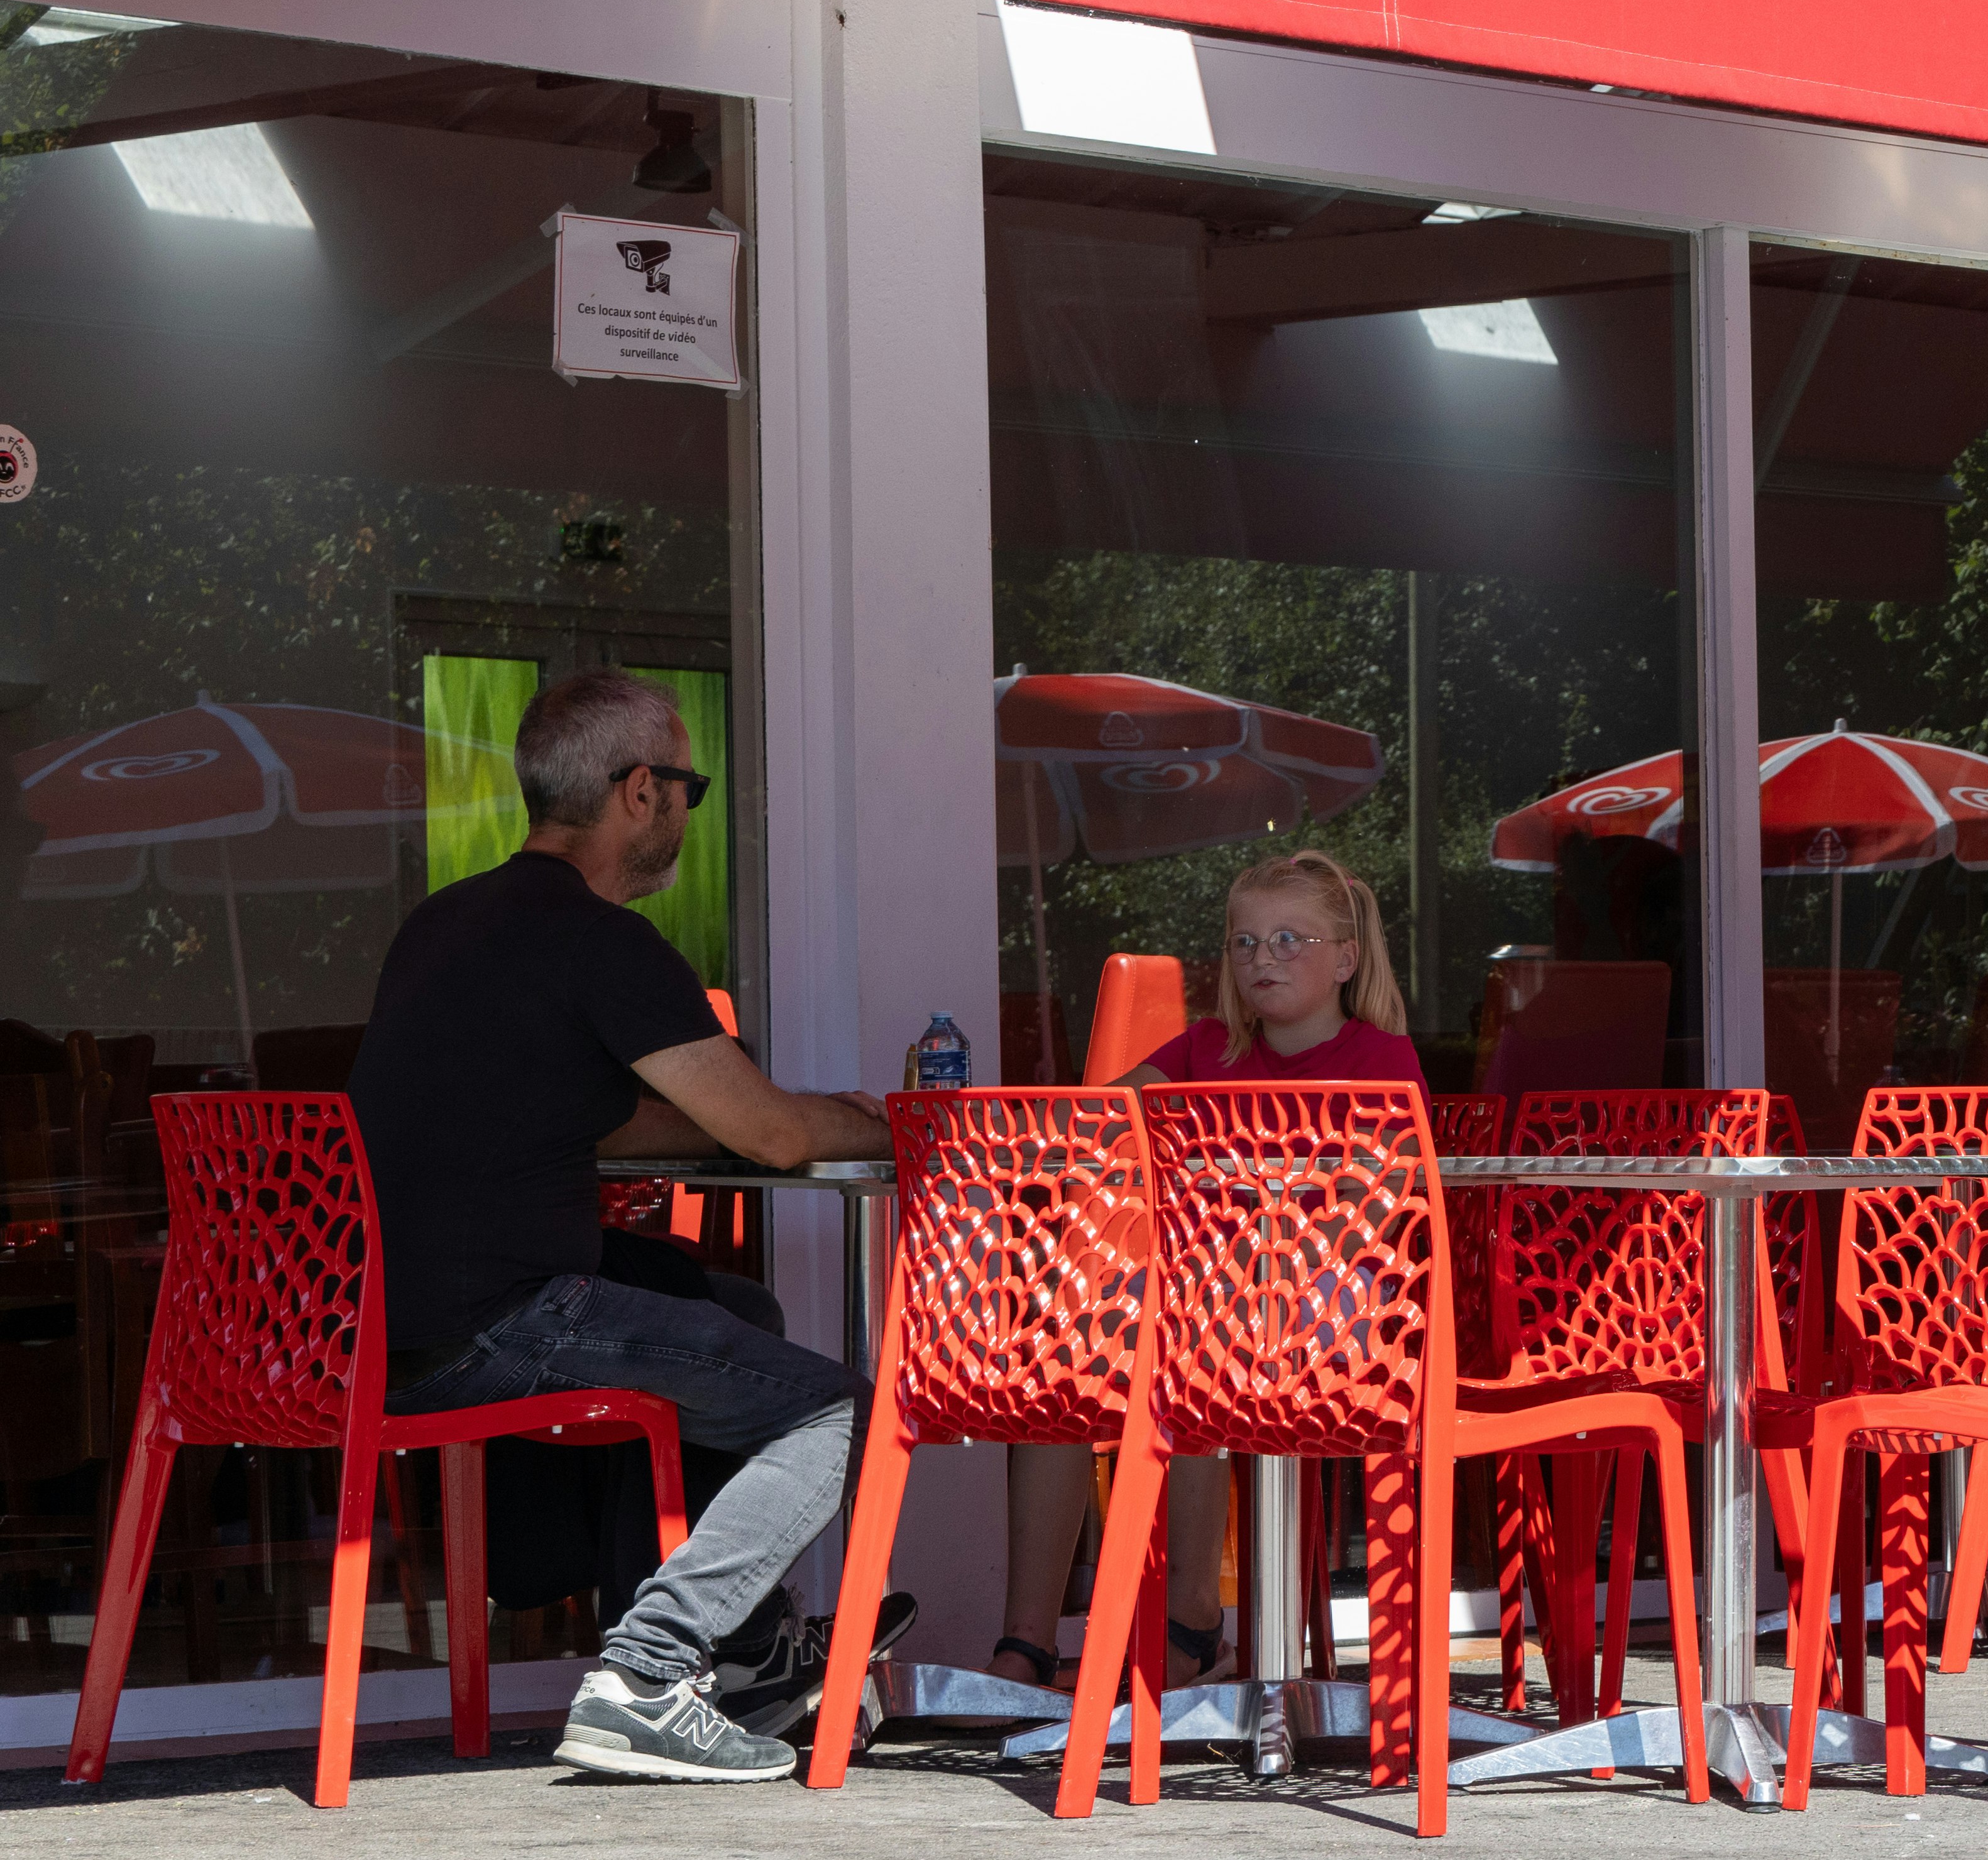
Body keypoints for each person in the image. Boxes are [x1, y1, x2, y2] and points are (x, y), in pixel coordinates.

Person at [353, 672, 898, 1784]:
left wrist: (793, 1119)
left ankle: (740, 1654)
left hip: (373, 1327)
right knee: (842, 1409)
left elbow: (611, 1119)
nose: (689, 811)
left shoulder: (447, 923)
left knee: (728, 1309)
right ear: (639, 792)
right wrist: (878, 1122)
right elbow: (771, 1138)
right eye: (687, 787)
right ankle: (648, 1671)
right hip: (502, 1323)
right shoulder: (602, 941)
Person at [989, 851, 1422, 1689]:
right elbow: (1096, 1123)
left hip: (1343, 1322)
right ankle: (1029, 1642)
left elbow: (1384, 1212)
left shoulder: (1381, 1058)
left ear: (1346, 958)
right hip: (1211, 1310)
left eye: (1289, 940)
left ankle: (1190, 1620)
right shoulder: (1207, 1048)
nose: (1262, 958)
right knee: (1067, 1343)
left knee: (1185, 1321)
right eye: (1243, 943)